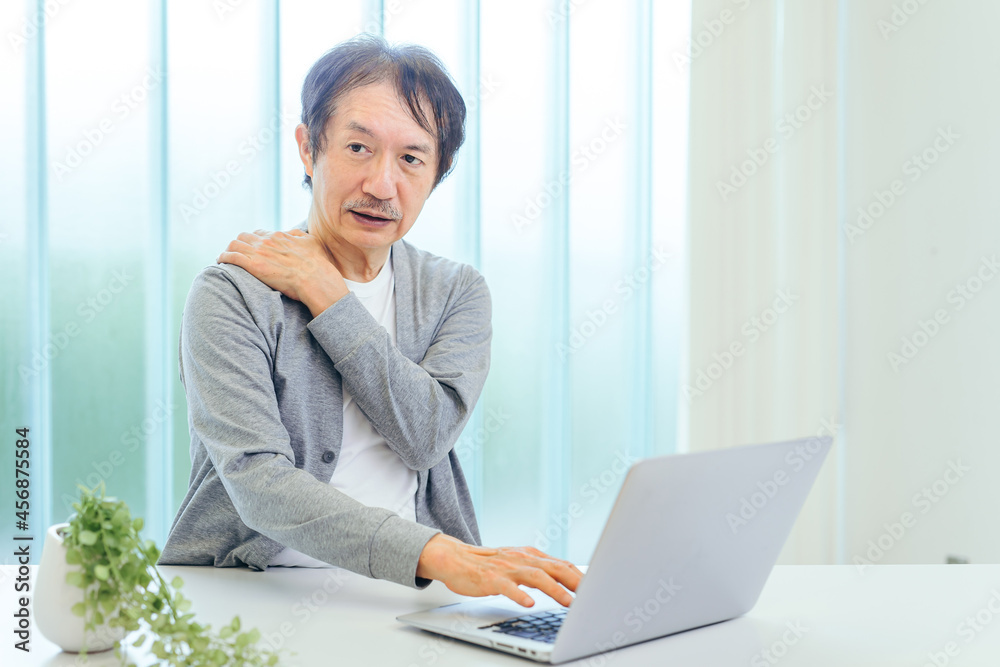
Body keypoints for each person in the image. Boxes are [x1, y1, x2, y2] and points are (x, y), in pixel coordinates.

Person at [159, 35, 581, 609]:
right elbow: (258, 483)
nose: (382, 186)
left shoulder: (456, 293)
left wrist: (329, 297)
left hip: (410, 599)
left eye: (411, 159)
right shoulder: (232, 293)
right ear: (308, 149)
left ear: (438, 172)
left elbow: (425, 436)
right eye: (358, 147)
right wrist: (433, 553)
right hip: (253, 593)